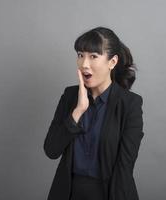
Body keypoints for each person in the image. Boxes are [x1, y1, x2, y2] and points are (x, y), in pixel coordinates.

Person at [43, 26, 144, 200]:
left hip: (110, 193)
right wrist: (78, 110)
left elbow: (124, 169)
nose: (84, 64)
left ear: (112, 62)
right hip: (69, 193)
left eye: (93, 56)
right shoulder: (69, 96)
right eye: (80, 55)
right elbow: (51, 150)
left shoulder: (130, 104)